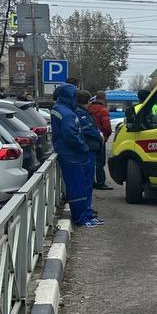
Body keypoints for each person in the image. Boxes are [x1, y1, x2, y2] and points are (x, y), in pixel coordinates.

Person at [50, 83, 101, 226]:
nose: (76, 98)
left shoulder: (64, 109)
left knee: (81, 186)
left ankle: (85, 214)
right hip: (71, 155)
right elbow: (71, 134)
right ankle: (81, 217)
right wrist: (83, 147)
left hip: (71, 154)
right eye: (74, 95)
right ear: (68, 96)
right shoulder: (66, 113)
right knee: (77, 188)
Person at [88, 91, 113, 189]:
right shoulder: (103, 110)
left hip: (89, 138)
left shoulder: (89, 108)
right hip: (100, 138)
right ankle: (101, 182)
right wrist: (106, 136)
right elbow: (106, 126)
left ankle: (91, 181)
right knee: (100, 162)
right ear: (104, 98)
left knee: (90, 161)